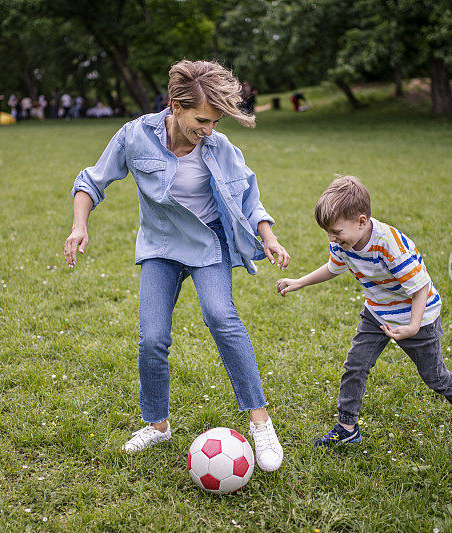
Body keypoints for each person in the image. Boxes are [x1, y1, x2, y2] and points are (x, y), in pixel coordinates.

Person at [63, 59, 290, 472]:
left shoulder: (220, 148)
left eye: (216, 121)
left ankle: (260, 420)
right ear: (175, 106)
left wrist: (268, 236)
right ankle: (157, 424)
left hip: (208, 244)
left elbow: (248, 197)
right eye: (202, 120)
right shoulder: (135, 136)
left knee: (221, 315)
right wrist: (79, 226)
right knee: (152, 338)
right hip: (161, 245)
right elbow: (91, 180)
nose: (209, 130)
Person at [276, 175, 452, 446]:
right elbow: (334, 267)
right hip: (378, 312)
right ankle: (347, 428)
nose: (332, 239)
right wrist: (300, 282)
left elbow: (420, 287)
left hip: (417, 315)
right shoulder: (343, 243)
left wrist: (413, 326)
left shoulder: (389, 244)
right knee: (355, 365)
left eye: (336, 232)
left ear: (361, 221)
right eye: (328, 233)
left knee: (435, 377)